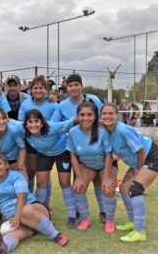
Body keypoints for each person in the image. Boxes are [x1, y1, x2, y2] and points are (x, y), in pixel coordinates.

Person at [101, 103, 158, 242]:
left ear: (117, 115)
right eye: (104, 113)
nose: (107, 116)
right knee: (124, 189)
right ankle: (132, 222)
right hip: (139, 161)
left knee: (135, 189)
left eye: (111, 113)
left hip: (152, 156)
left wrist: (138, 169)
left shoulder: (123, 130)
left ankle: (140, 232)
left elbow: (140, 150)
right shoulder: (107, 130)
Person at [0, 153, 68, 253]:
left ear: (6, 165)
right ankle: (4, 247)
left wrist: (17, 215)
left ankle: (56, 235)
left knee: (25, 210)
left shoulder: (16, 175)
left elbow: (21, 196)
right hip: (17, 220)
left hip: (35, 210)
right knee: (15, 234)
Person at [51, 74, 107, 223]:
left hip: (91, 146)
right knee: (66, 181)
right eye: (70, 85)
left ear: (81, 86)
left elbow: (104, 118)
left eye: (76, 84)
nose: (73, 88)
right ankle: (74, 212)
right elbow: (53, 125)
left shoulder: (94, 100)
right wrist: (72, 122)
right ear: (66, 88)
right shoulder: (62, 105)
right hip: (67, 147)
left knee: (95, 179)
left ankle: (103, 211)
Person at [66, 102, 118, 233]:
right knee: (79, 187)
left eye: (89, 114)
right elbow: (73, 156)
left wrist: (106, 178)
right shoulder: (73, 132)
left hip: (105, 164)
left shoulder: (102, 132)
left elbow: (108, 155)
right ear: (77, 116)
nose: (85, 118)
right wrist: (78, 177)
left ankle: (110, 221)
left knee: (108, 188)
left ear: (95, 116)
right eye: (82, 115)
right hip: (87, 165)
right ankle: (86, 219)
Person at [23, 109, 77, 229]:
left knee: (64, 182)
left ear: (42, 123)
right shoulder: (23, 131)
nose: (33, 125)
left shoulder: (53, 127)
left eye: (36, 121)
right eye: (30, 122)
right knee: (41, 182)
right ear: (25, 124)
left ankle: (72, 216)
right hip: (44, 154)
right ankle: (40, 214)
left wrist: (97, 122)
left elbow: (73, 121)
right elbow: (9, 121)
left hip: (63, 152)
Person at [18, 75, 58, 203]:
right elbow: (20, 123)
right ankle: (29, 202)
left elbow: (57, 124)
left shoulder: (53, 104)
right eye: (35, 88)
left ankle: (45, 204)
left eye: (41, 88)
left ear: (46, 89)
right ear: (31, 90)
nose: (38, 90)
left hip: (47, 145)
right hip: (30, 143)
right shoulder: (25, 104)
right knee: (30, 174)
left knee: (45, 177)